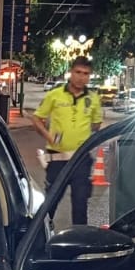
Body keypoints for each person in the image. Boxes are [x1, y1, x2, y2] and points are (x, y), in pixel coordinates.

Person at [32, 56, 102, 225]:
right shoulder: (55, 95)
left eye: (86, 74)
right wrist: (48, 135)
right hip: (58, 159)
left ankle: (79, 239)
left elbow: (96, 125)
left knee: (80, 206)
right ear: (71, 72)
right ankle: (40, 235)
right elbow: (37, 118)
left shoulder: (93, 99)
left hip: (81, 160)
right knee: (50, 203)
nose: (81, 77)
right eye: (78, 72)